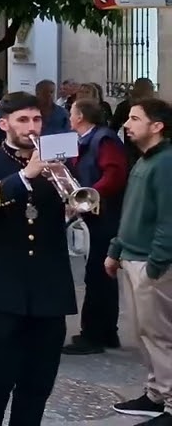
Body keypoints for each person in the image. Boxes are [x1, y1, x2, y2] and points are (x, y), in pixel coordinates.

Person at [0, 92, 77, 426]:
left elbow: (82, 203)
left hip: (49, 285)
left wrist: (75, 203)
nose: (31, 127)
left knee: (38, 382)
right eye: (23, 120)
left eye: (36, 119)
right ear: (4, 124)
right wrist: (27, 174)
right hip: (1, 285)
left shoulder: (60, 158)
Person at [106, 98, 172, 424]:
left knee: (160, 335)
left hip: (151, 263)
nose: (127, 124)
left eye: (134, 118)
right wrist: (116, 249)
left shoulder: (166, 163)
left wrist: (156, 265)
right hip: (132, 258)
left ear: (156, 126)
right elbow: (132, 211)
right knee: (143, 334)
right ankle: (155, 394)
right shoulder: (145, 160)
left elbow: (168, 220)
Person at [63, 98, 128, 356]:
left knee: (99, 275)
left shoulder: (104, 139)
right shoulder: (88, 139)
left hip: (103, 215)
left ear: (80, 116)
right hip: (93, 214)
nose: (69, 117)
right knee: (100, 275)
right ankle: (106, 332)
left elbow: (113, 175)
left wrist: (86, 197)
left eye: (71, 112)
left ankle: (94, 334)